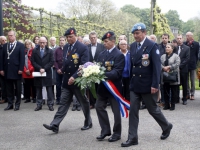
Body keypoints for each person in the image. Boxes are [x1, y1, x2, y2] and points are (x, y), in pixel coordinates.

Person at [121, 23, 172, 147]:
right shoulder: (132, 46)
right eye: (134, 34)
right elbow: (132, 65)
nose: (135, 36)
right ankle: (132, 138)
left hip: (148, 84)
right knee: (133, 110)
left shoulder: (152, 45)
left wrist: (155, 84)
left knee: (152, 109)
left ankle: (166, 126)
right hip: (135, 84)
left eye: (137, 33)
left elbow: (156, 67)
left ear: (144, 33)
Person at [43, 28, 92, 133]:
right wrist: (62, 69)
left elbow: (84, 65)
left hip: (77, 80)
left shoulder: (82, 47)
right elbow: (66, 61)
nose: (69, 39)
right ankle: (55, 124)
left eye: (71, 37)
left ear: (75, 36)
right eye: (67, 37)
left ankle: (88, 122)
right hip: (66, 80)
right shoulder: (66, 47)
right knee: (63, 103)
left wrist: (74, 77)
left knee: (83, 102)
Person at [96, 31, 125, 142]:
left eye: (107, 41)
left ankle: (117, 133)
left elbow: (117, 72)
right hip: (102, 87)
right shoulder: (102, 54)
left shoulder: (119, 55)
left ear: (113, 41)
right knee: (99, 107)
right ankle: (105, 130)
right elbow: (97, 66)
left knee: (116, 112)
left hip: (114, 88)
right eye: (104, 41)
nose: (104, 43)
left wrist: (101, 74)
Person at [0, 31, 25, 111]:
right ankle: (10, 104)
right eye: (8, 36)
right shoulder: (4, 46)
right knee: (9, 88)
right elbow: (1, 58)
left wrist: (21, 69)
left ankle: (17, 104)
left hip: (17, 70)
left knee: (17, 88)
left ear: (15, 36)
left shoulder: (20, 45)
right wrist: (1, 69)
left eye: (11, 35)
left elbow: (22, 58)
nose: (9, 37)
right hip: (7, 70)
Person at [31, 37, 54, 111]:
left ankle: (50, 104)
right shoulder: (34, 51)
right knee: (38, 89)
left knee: (49, 89)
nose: (42, 44)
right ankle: (39, 104)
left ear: (46, 42)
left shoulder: (50, 51)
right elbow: (33, 61)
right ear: (38, 43)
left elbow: (52, 61)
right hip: (38, 72)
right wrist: (39, 68)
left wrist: (44, 68)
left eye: (43, 42)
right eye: (41, 42)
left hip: (47, 72)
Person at [161, 43, 180, 110]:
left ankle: (173, 105)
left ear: (172, 49)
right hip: (165, 76)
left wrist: (170, 67)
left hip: (173, 76)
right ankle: (166, 105)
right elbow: (160, 63)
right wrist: (163, 68)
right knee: (165, 91)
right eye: (166, 47)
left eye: (168, 47)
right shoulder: (163, 56)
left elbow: (177, 63)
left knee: (173, 91)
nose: (167, 48)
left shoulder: (176, 56)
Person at [88, 31, 105, 109]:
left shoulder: (102, 46)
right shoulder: (87, 47)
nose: (93, 39)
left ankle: (100, 102)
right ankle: (92, 103)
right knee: (91, 86)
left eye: (94, 37)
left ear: (97, 38)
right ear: (89, 39)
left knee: (99, 86)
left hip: (99, 69)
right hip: (89, 69)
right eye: (91, 38)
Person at [176, 34, 190, 105]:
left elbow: (187, 59)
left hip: (183, 69)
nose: (179, 39)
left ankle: (184, 98)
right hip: (175, 69)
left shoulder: (187, 48)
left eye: (180, 38)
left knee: (184, 84)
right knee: (176, 84)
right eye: (178, 38)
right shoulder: (174, 48)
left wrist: (180, 66)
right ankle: (176, 98)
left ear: (182, 39)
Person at [185, 32, 199, 100]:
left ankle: (192, 93)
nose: (186, 37)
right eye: (186, 35)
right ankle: (187, 93)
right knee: (186, 80)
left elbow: (197, 55)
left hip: (192, 64)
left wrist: (195, 62)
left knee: (192, 79)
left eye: (188, 35)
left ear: (191, 36)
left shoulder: (196, 44)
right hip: (185, 64)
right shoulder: (184, 44)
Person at [54, 36, 66, 105]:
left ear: (65, 41)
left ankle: (64, 99)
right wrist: (57, 69)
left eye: (63, 40)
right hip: (58, 70)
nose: (61, 41)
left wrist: (62, 69)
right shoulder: (56, 50)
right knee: (58, 85)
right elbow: (54, 60)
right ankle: (58, 99)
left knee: (65, 86)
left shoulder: (67, 49)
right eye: (60, 40)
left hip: (65, 70)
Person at [0, 36, 7, 104]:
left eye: (5, 40)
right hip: (1, 69)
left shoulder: (8, 47)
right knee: (2, 85)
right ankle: (4, 97)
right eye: (3, 40)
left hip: (7, 69)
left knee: (8, 84)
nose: (4, 42)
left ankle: (8, 97)